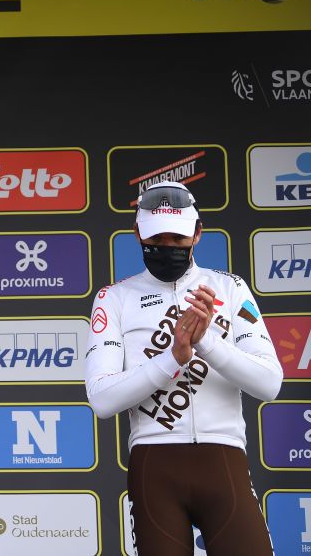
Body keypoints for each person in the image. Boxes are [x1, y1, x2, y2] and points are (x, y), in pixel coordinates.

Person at [85, 180, 282, 556]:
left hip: (223, 461)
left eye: (177, 238)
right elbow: (102, 399)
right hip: (155, 467)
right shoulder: (114, 299)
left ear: (197, 234)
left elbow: (269, 383)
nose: (167, 247)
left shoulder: (230, 289)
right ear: (137, 233)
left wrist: (205, 342)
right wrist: (173, 357)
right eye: (156, 238)